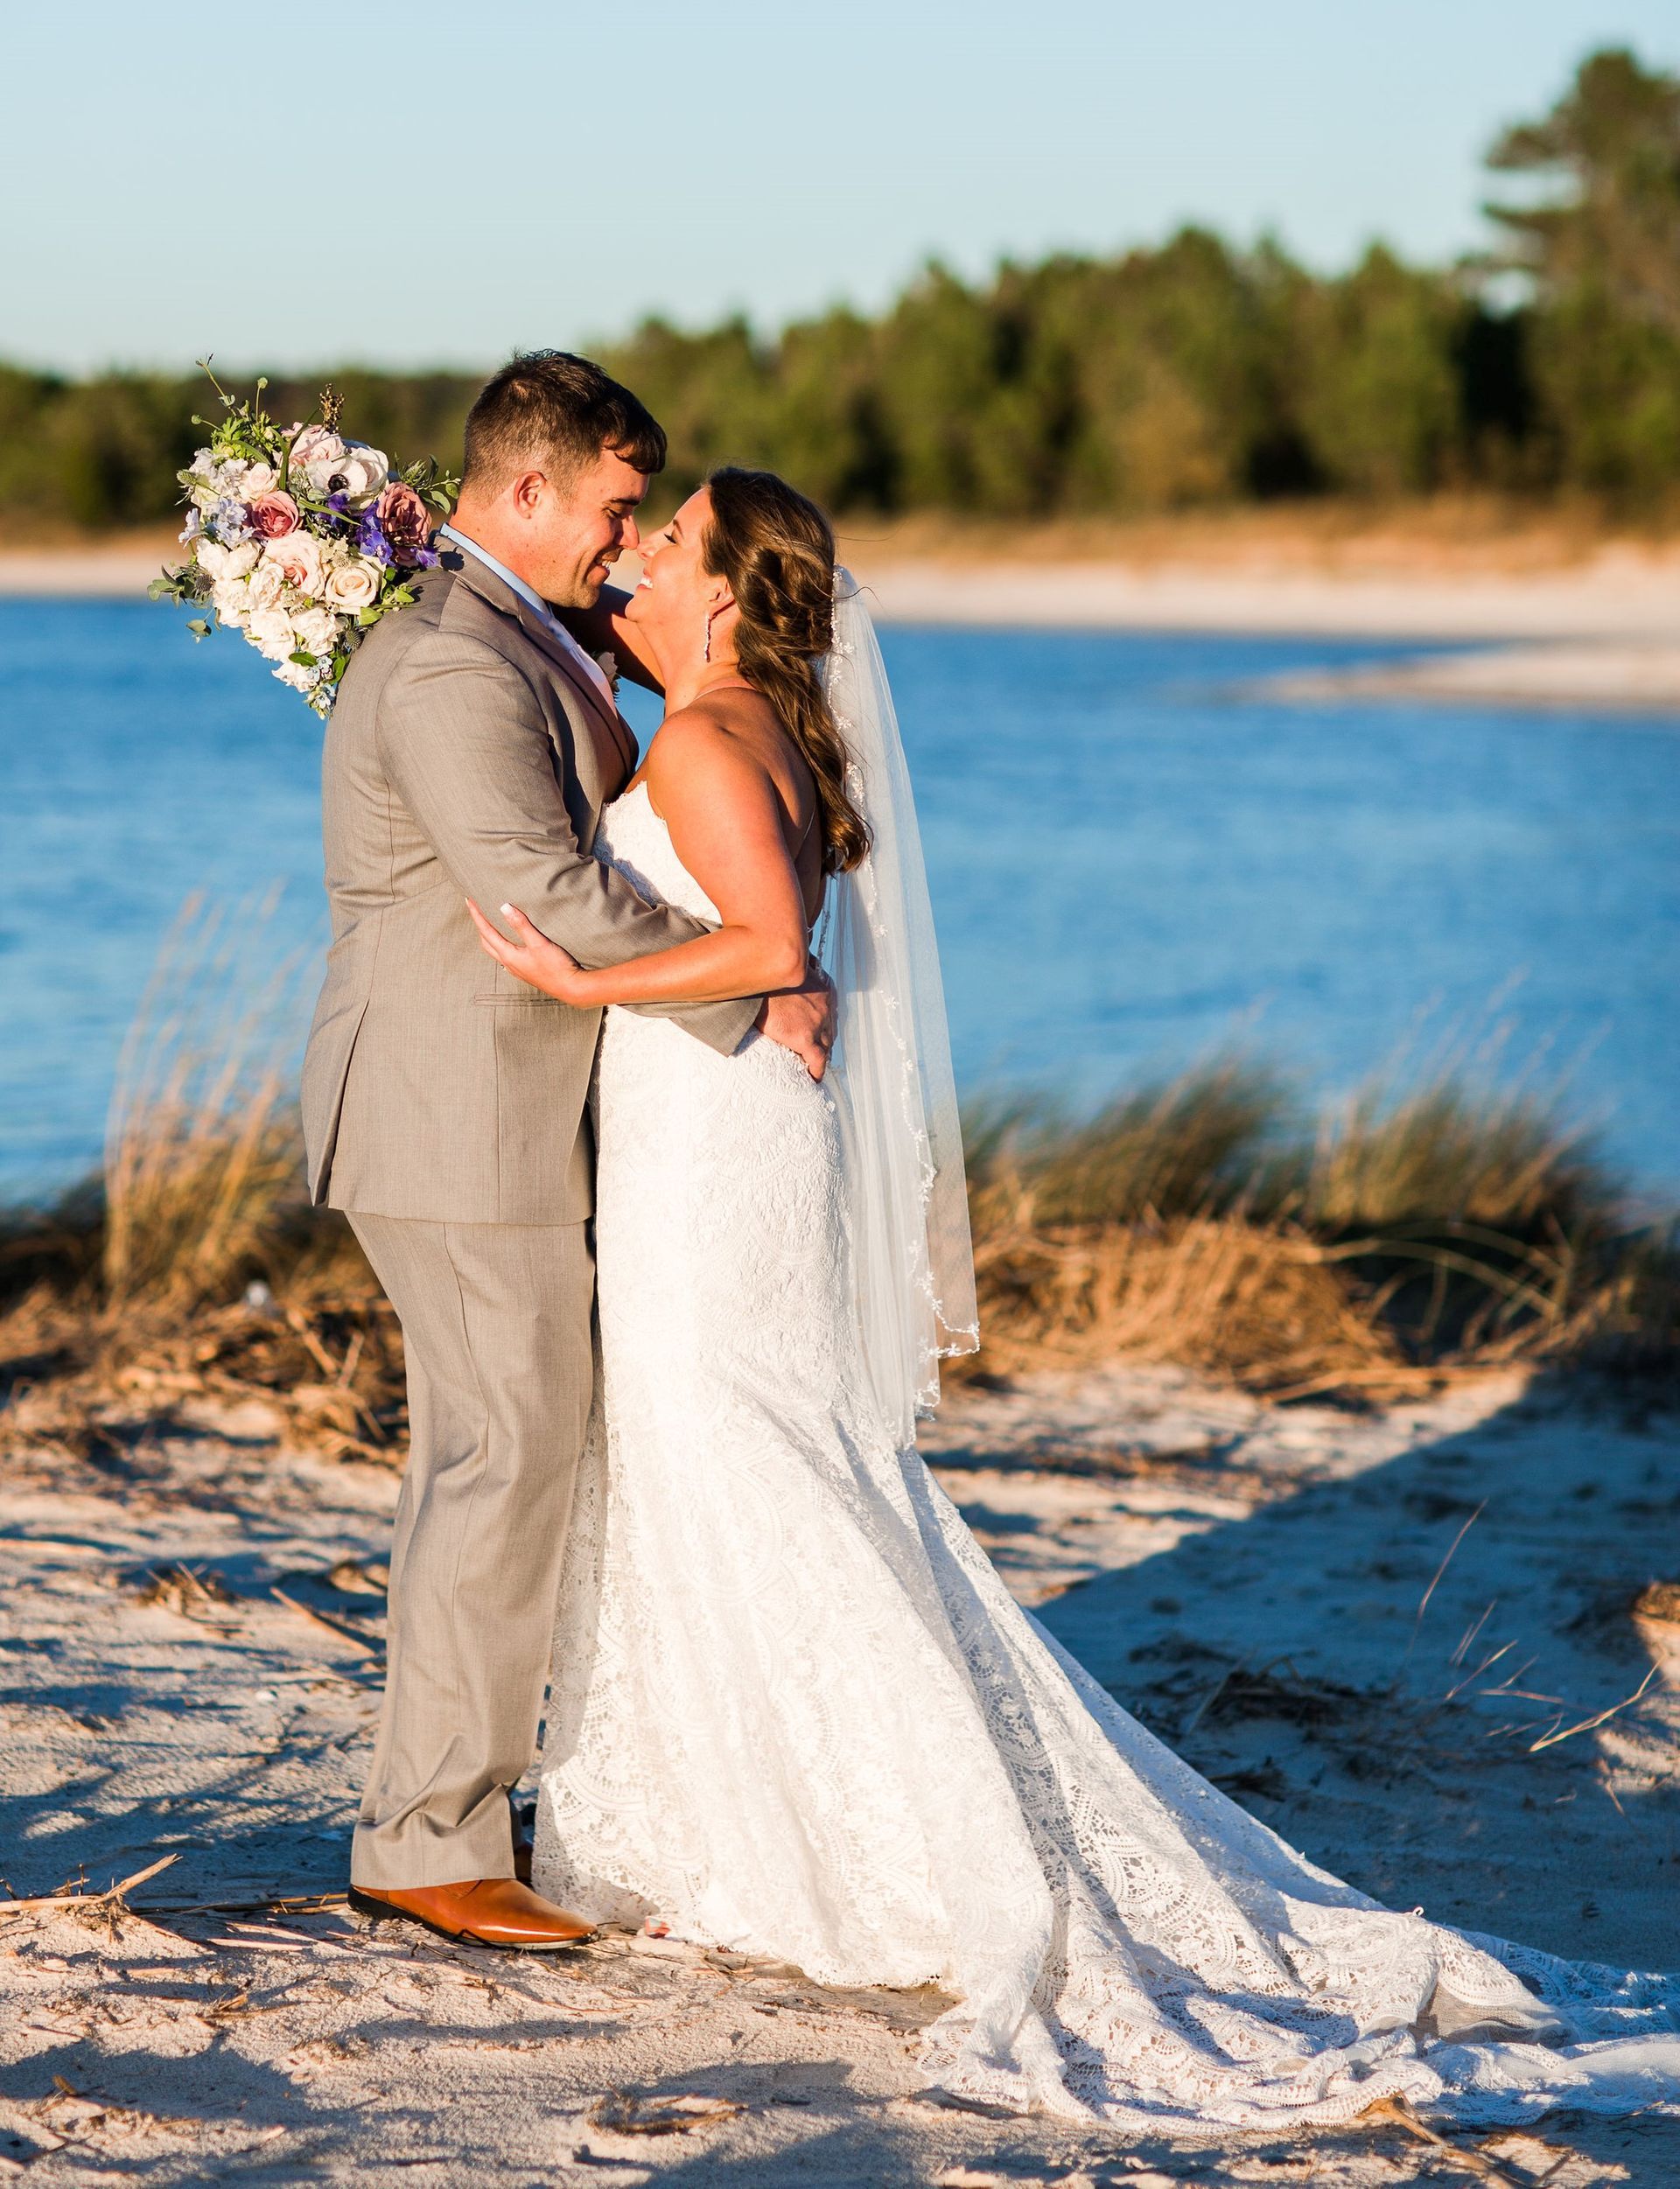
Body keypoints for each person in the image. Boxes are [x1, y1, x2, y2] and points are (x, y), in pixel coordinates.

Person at [469, 465, 1680, 2127]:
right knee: (730, 1453)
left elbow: (771, 944)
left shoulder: (698, 737)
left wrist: (579, 973)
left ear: (733, 593)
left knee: (738, 1451)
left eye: (666, 542)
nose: (636, 557)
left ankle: (865, 1846)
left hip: (716, 1148)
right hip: (723, 1133)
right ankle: (742, 1825)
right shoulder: (720, 719)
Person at [299, 354, 835, 1950]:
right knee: (506, 1452)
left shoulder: (519, 632)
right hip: (456, 1115)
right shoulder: (458, 661)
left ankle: (440, 1808)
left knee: (494, 1450)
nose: (623, 541)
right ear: (524, 490)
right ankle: (426, 1842)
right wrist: (762, 969)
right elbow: (542, 891)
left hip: (502, 1111)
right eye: (611, 508)